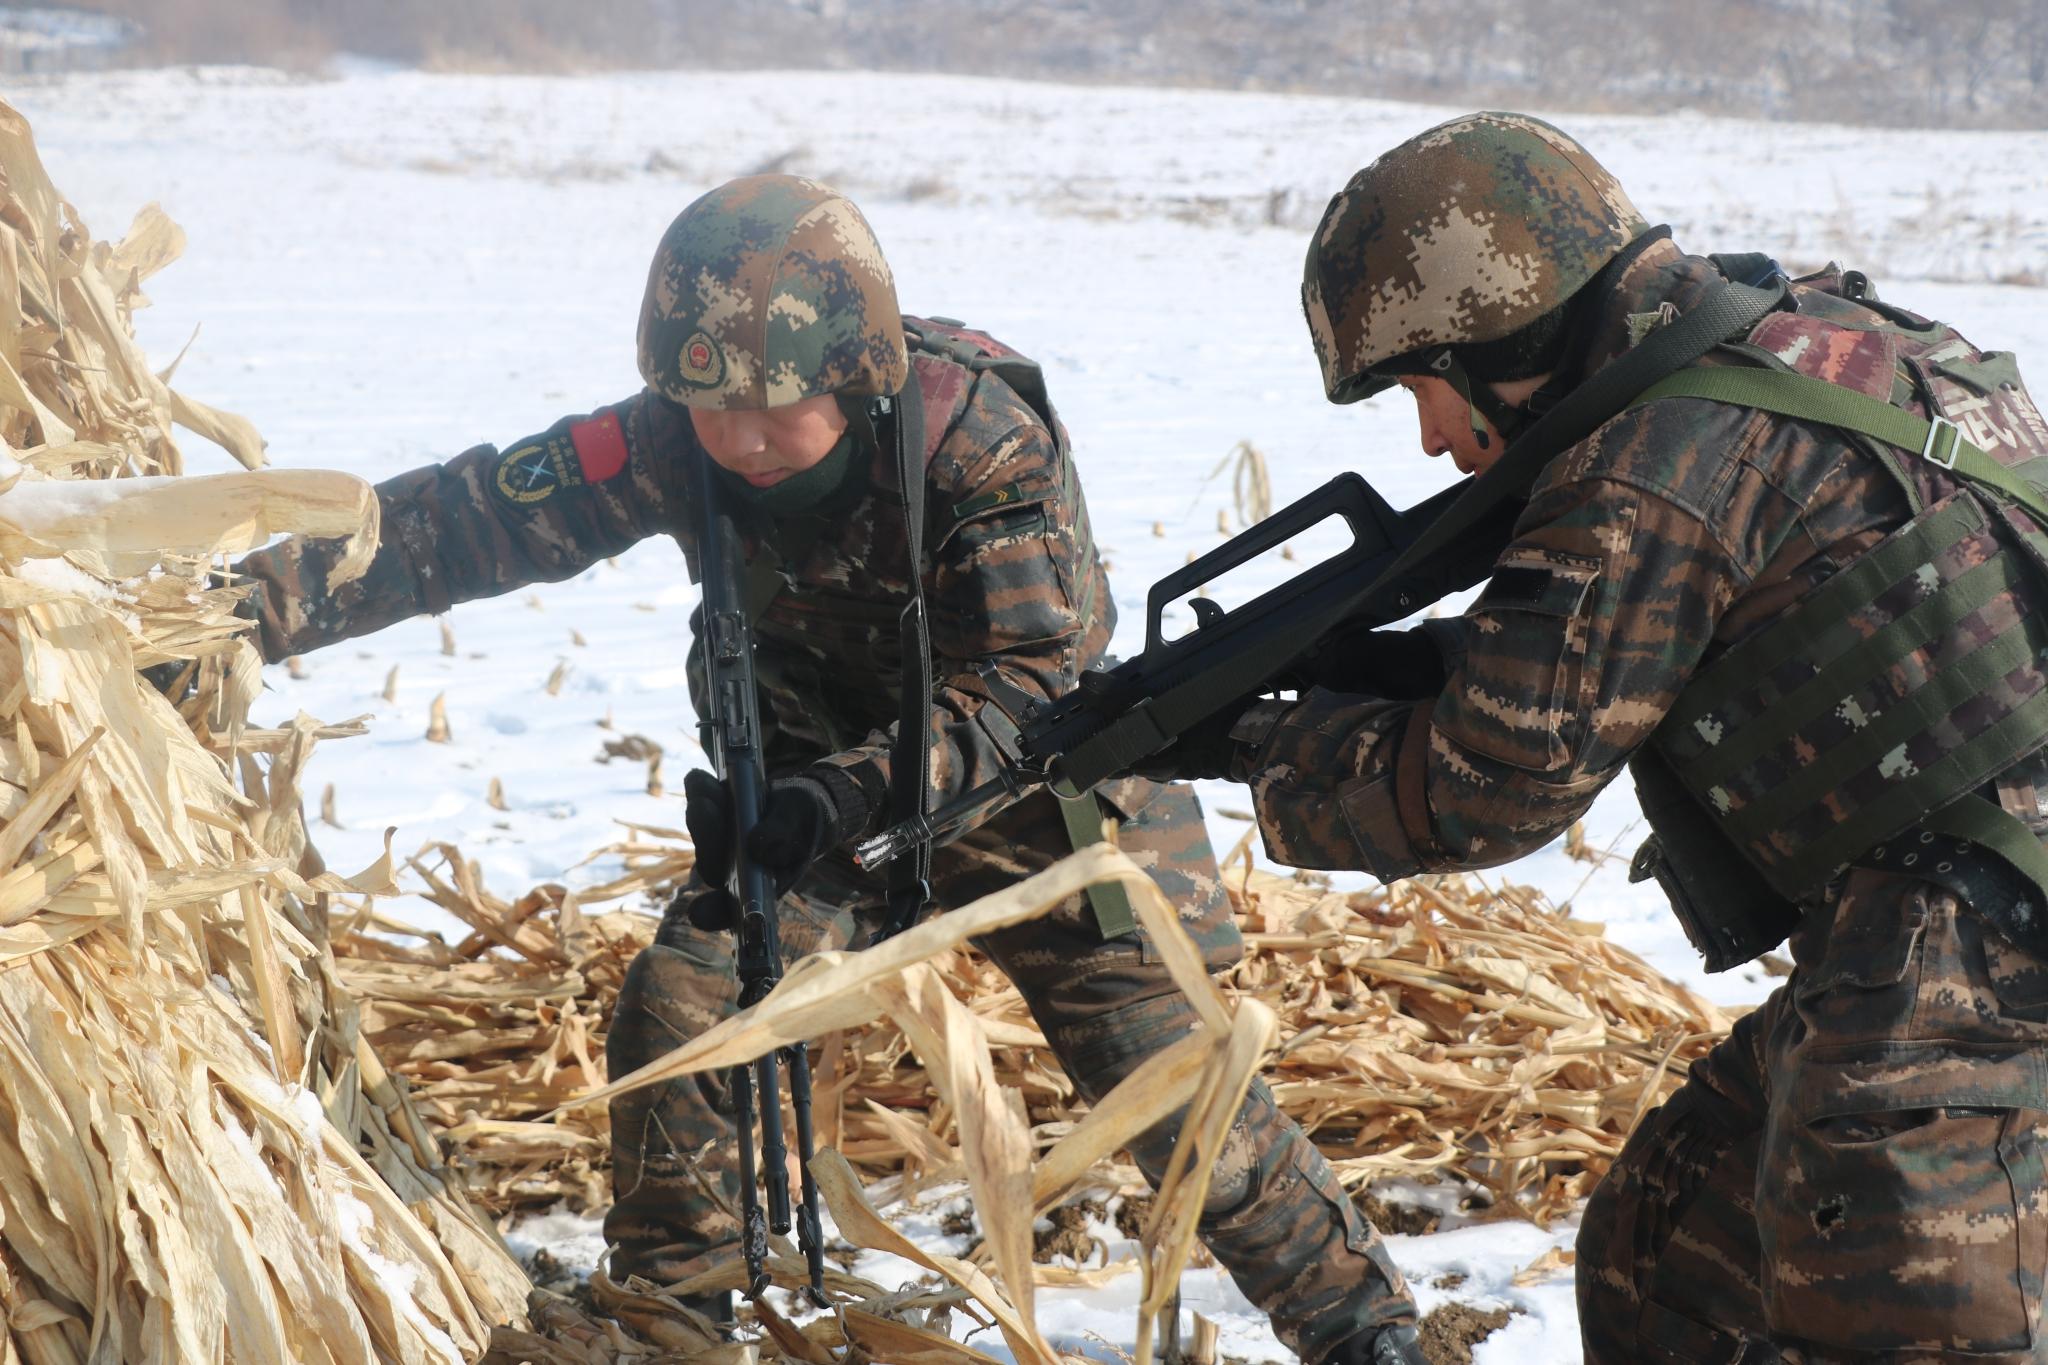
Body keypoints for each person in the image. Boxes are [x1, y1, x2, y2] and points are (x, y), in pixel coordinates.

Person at [234, 174, 1425, 1365]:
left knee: (1177, 1087)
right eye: (710, 408)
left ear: (852, 377)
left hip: (1044, 799)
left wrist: (849, 790)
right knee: (686, 1008)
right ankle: (672, 1319)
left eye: (772, 407)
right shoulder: (675, 435)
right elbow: (459, 522)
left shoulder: (978, 441)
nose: (738, 438)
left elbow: (1034, 682)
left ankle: (1368, 1337)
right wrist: (242, 616)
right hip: (815, 820)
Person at [1130, 111, 2048, 1361]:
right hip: (1948, 915)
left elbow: (1481, 791)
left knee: (1895, 1318)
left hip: (1974, 958)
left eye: (1420, 385)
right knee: (1667, 1253)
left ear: (1499, 340)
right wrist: (1386, 668)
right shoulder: (1829, 341)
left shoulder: (1649, 465)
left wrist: (1257, 744)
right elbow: (1651, 650)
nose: (1427, 440)